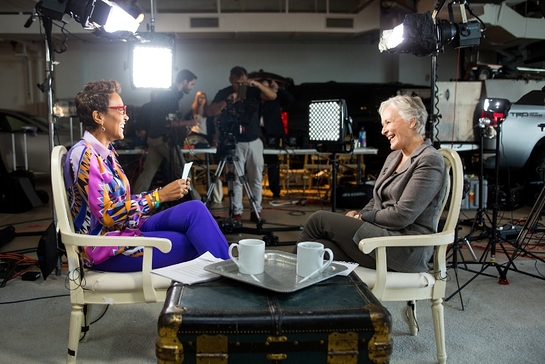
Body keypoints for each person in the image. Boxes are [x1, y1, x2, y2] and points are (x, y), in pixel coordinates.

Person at [64, 79, 229, 272]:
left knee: (195, 209)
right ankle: (232, 281)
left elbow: (121, 202)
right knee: (196, 241)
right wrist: (159, 197)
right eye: (121, 110)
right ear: (98, 116)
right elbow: (108, 215)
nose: (125, 117)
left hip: (129, 227)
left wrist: (161, 193)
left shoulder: (106, 152)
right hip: (106, 249)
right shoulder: (84, 154)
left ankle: (230, 276)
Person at [296, 95, 447, 273]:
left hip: (403, 247)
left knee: (318, 220)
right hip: (380, 235)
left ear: (412, 122)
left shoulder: (429, 160)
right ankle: (300, 290)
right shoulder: (394, 156)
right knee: (320, 247)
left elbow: (402, 216)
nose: (383, 131)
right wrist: (360, 213)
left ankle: (286, 278)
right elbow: (376, 199)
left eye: (388, 122)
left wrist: (363, 218)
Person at [208, 66, 277, 224]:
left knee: (256, 178)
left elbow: (272, 96)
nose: (239, 86)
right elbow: (210, 111)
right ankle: (236, 212)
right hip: (235, 141)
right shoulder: (224, 93)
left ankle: (256, 211)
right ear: (230, 79)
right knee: (236, 180)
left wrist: (257, 84)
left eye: (242, 82)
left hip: (254, 139)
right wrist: (227, 102)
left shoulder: (252, 91)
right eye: (236, 82)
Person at [133, 69, 200, 198]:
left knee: (148, 173)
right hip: (163, 140)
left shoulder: (168, 95)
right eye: (191, 84)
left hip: (154, 140)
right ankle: (196, 202)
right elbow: (166, 122)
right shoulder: (171, 96)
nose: (192, 88)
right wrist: (188, 122)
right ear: (184, 81)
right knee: (184, 170)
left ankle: (135, 202)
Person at [259, 79, 294, 199]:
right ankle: (255, 191)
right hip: (258, 132)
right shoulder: (255, 99)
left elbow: (290, 100)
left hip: (272, 133)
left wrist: (279, 88)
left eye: (266, 87)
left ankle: (275, 190)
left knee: (272, 162)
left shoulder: (276, 97)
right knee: (255, 161)